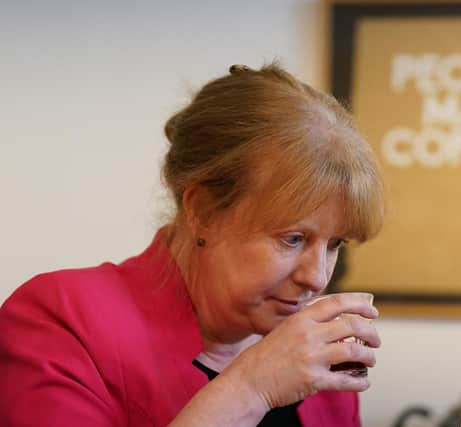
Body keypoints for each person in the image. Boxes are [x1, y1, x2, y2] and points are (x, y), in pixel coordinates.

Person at [0, 62, 385, 426]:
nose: (316, 278)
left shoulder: (322, 361)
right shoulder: (63, 321)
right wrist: (251, 389)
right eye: (294, 238)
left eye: (335, 243)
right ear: (203, 210)